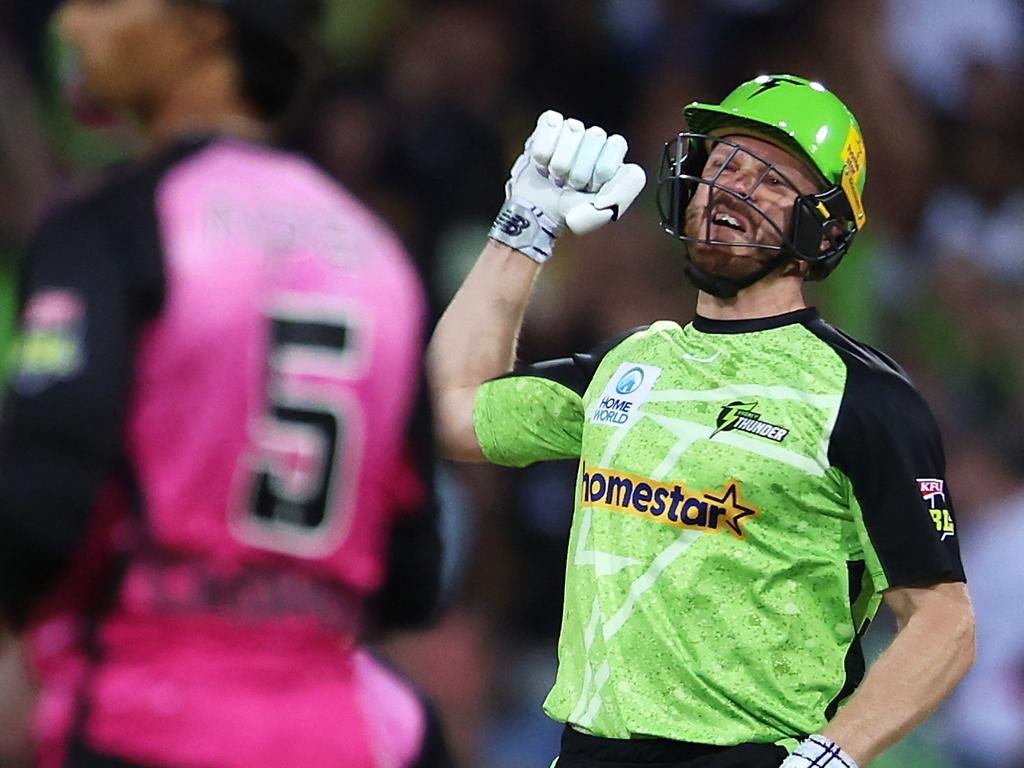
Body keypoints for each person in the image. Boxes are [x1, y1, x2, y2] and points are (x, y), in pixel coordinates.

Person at [428, 74, 975, 768]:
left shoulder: (866, 399)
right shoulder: (629, 362)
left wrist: (829, 758)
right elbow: (449, 410)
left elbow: (944, 621)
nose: (732, 189)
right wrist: (525, 223)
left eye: (771, 178)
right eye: (722, 164)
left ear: (826, 227)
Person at [0, 1, 452, 766]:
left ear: (202, 24)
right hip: (334, 733)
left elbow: (42, 510)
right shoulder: (377, 254)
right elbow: (413, 573)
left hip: (138, 718)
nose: (72, 24)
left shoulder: (111, 229)